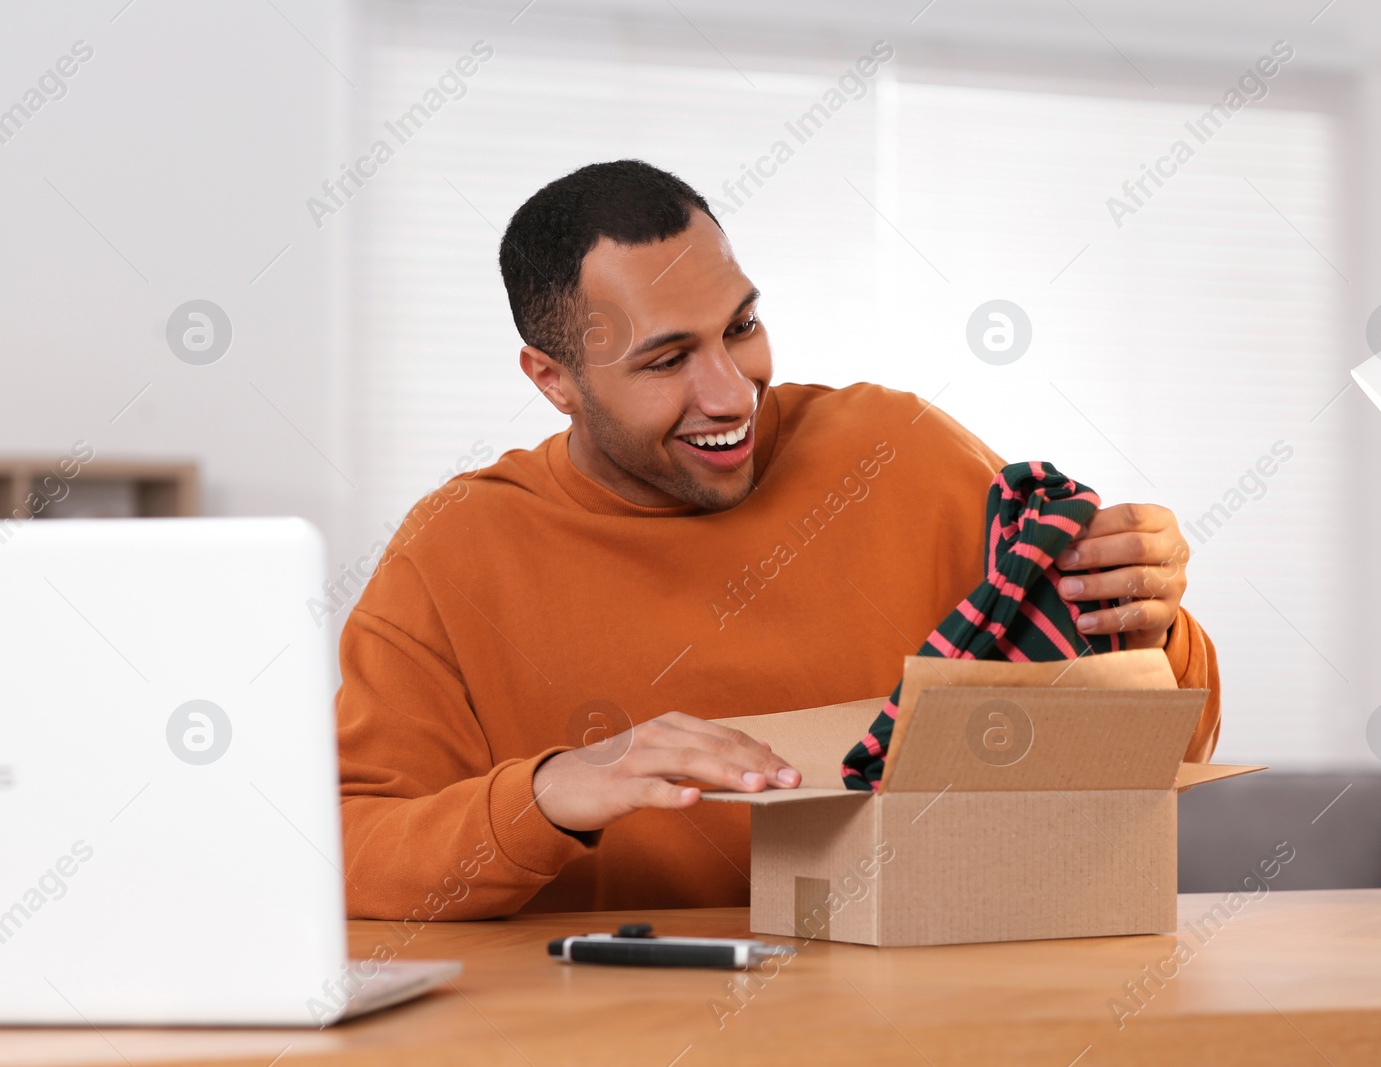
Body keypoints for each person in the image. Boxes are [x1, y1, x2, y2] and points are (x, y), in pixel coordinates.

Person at [336, 159, 1221, 920]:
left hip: (920, 1007)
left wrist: (1142, 619)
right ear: (553, 379)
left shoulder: (896, 448)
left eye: (741, 328)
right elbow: (351, 851)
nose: (731, 392)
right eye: (666, 359)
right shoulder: (451, 553)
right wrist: (548, 792)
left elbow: (1172, 748)